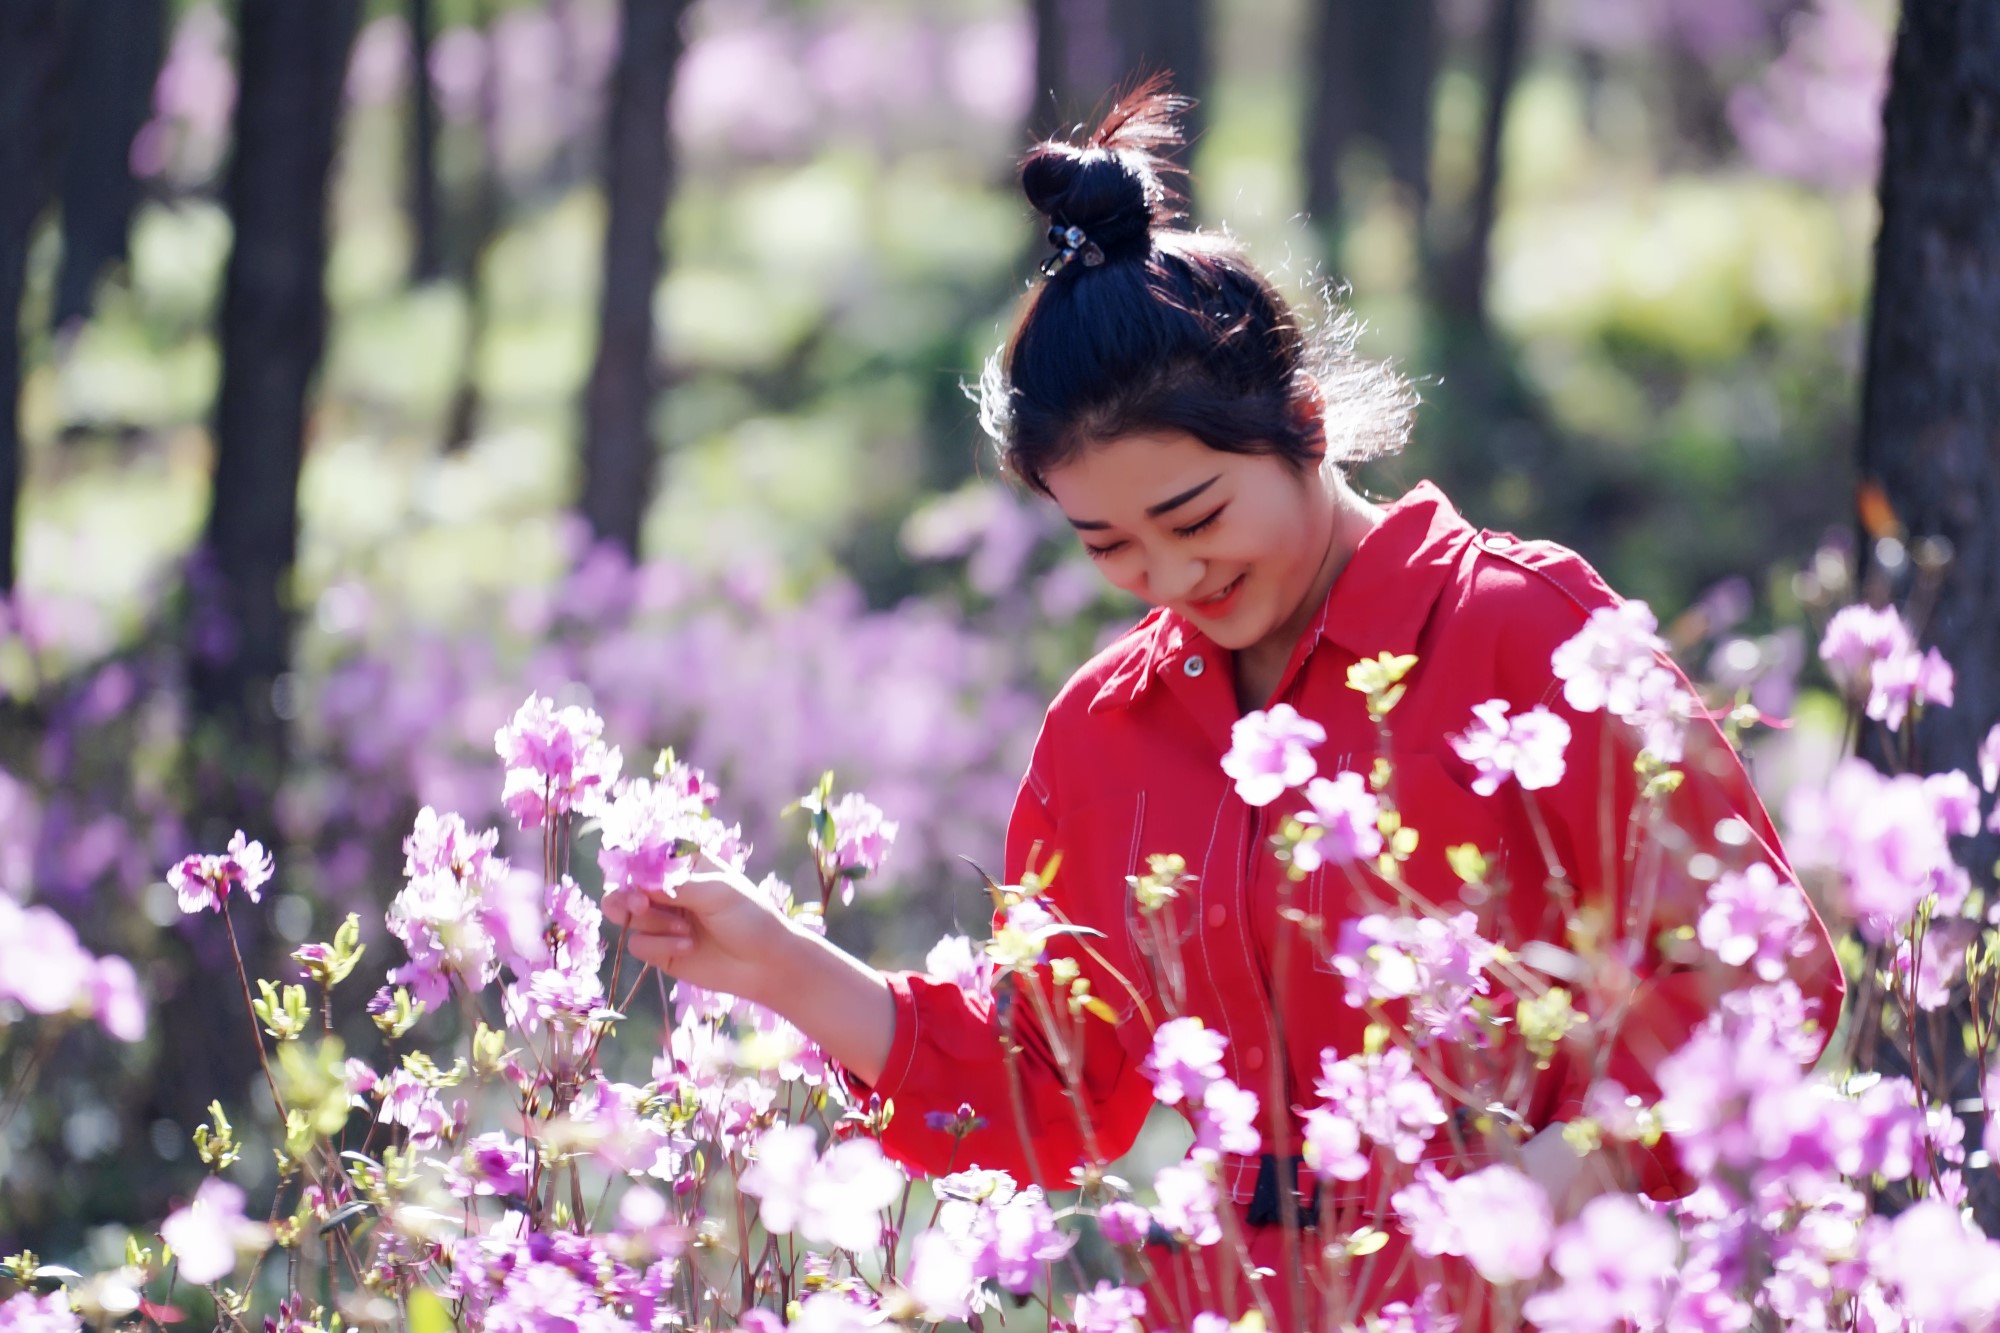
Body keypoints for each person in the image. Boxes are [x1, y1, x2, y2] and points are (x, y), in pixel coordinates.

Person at [603, 85, 1843, 1329]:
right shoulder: (1106, 730)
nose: (1169, 576)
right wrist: (779, 962)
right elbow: (1050, 1088)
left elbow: (1765, 972)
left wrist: (1559, 1180)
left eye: (1193, 517)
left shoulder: (1524, 629)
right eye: (1108, 545)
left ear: (1302, 425)